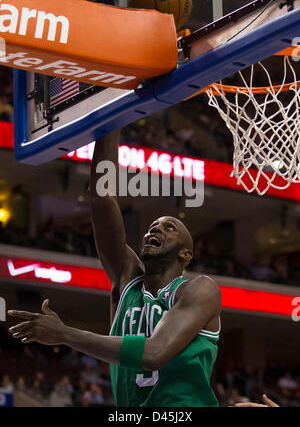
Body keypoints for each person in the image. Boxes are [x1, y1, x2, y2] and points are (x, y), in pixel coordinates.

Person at [8, 130, 222, 407]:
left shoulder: (200, 289)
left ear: (186, 253)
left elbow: (155, 353)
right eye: (151, 226)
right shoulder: (127, 281)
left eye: (169, 227)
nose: (155, 229)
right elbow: (100, 199)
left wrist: (64, 334)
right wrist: (109, 122)